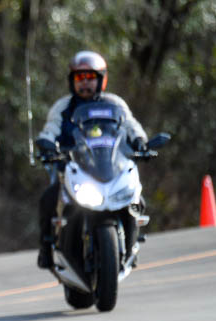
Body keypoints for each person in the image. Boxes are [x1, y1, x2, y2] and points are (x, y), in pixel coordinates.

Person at [36, 51, 148, 268]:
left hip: (110, 167)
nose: (85, 83)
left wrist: (141, 141)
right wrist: (46, 143)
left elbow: (131, 126)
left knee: (137, 199)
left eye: (90, 78)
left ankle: (131, 244)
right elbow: (50, 129)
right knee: (48, 199)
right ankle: (45, 248)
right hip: (74, 168)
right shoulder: (63, 106)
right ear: (72, 81)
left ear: (101, 79)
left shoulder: (115, 103)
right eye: (80, 78)